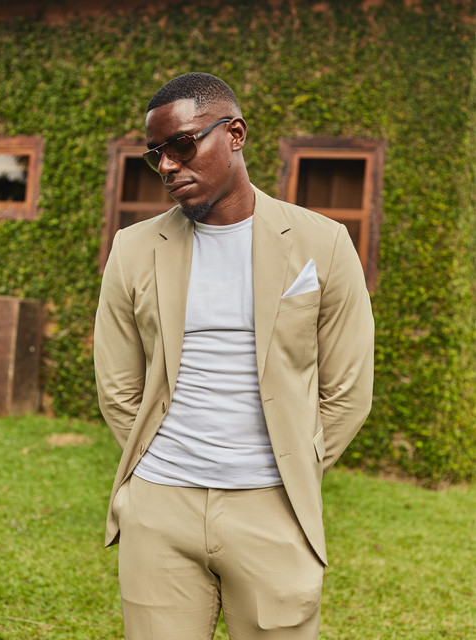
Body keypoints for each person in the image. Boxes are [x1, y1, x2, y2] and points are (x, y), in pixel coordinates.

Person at [94, 72, 374, 640]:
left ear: (236, 134)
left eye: (182, 144)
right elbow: (118, 386)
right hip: (159, 508)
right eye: (156, 154)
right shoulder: (132, 249)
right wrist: (153, 475)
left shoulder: (322, 243)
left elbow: (348, 390)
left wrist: (291, 468)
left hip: (274, 507)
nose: (168, 165)